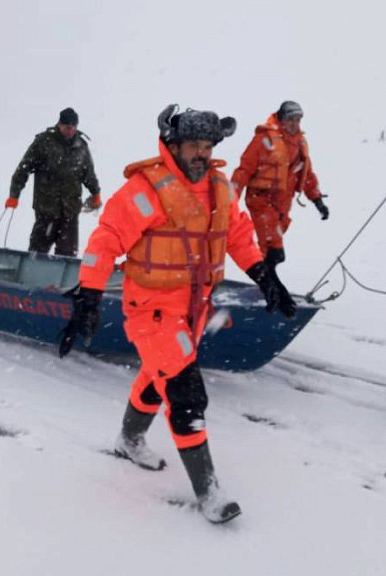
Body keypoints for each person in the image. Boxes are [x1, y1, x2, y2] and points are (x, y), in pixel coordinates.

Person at [58, 104, 297, 523]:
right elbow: (107, 239)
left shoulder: (218, 187)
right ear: (173, 144)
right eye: (192, 145)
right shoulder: (147, 190)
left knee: (157, 376)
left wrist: (265, 277)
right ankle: (209, 495)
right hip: (152, 310)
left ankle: (129, 440)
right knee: (186, 393)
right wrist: (89, 297)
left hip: (194, 308)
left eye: (207, 145)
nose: (200, 154)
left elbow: (238, 234)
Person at [230, 101, 328, 270]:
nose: (294, 124)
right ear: (281, 119)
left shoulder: (300, 143)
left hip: (283, 204)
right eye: (290, 119)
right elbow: (244, 170)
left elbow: (307, 175)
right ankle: (270, 287)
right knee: (273, 250)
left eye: (297, 120)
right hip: (261, 200)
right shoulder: (264, 139)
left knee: (271, 251)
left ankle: (266, 279)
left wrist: (317, 200)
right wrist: (230, 200)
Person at [6, 107, 101, 257]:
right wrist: (14, 195)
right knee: (38, 251)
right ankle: (33, 277)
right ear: (59, 124)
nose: (70, 131)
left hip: (70, 209)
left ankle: (62, 280)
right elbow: (23, 170)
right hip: (46, 208)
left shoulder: (81, 146)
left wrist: (95, 192)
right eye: (67, 127)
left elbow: (88, 173)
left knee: (67, 254)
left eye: (73, 127)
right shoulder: (43, 142)